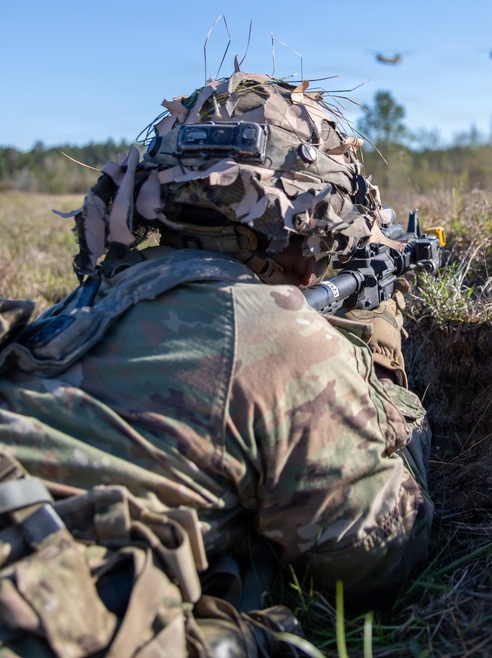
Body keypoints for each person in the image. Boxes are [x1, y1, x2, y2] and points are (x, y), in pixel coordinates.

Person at [0, 71, 433, 655]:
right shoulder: (279, 338)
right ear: (307, 219)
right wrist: (378, 358)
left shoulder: (98, 294)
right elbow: (377, 559)